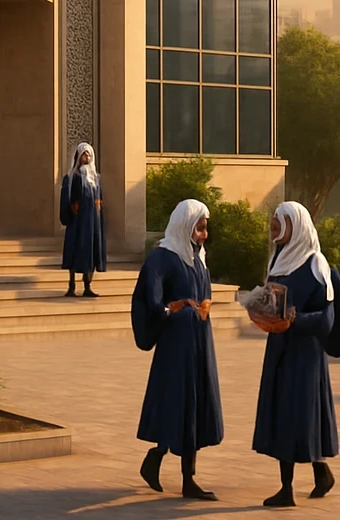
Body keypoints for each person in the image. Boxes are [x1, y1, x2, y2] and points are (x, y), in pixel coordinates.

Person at [253, 201, 340, 508]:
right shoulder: (277, 260)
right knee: (288, 414)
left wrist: (295, 320)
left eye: (281, 222)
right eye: (274, 222)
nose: (274, 226)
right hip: (280, 348)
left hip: (305, 354)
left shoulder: (316, 264)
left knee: (297, 413)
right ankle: (321, 474)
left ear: (297, 225)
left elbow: (327, 319)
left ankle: (287, 488)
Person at [132, 199, 222, 501]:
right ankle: (180, 475)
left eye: (205, 228)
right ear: (185, 225)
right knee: (179, 404)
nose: (203, 234)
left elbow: (201, 294)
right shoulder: (163, 257)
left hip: (198, 344)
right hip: (176, 347)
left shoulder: (197, 258)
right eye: (199, 227)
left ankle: (167, 465)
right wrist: (176, 310)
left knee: (193, 407)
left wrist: (203, 306)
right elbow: (151, 301)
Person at [59, 142, 107, 298]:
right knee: (75, 250)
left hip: (93, 222)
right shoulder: (73, 177)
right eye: (84, 155)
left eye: (89, 155)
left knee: (91, 252)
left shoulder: (96, 178)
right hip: (78, 222)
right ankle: (71, 285)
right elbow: (70, 199)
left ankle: (87, 285)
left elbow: (100, 199)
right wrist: (74, 211)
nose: (86, 158)